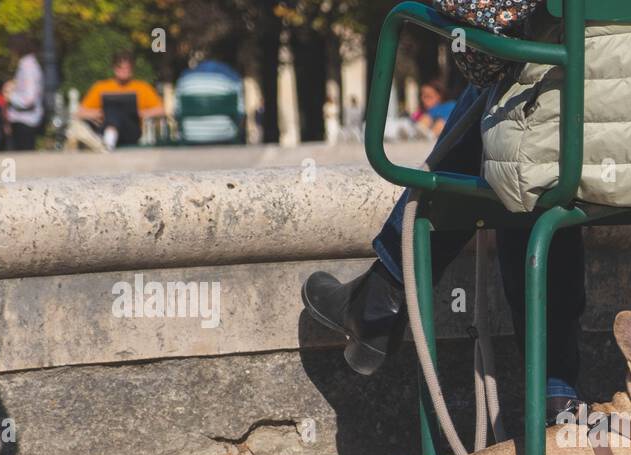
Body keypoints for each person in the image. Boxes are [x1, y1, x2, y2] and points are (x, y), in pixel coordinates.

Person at [302, 82, 585, 421]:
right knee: (539, 142)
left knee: (505, 89)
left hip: (557, 140)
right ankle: (556, 390)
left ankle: (385, 291)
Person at [66, 51, 165, 151]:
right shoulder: (101, 87)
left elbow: (161, 110)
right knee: (112, 112)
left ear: (132, 69)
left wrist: (140, 113)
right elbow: (80, 113)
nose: (124, 71)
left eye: (127, 68)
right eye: (120, 67)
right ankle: (107, 141)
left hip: (131, 130)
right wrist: (100, 113)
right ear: (114, 68)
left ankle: (106, 143)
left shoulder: (142, 87)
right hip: (106, 125)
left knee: (116, 112)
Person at [175, 58, 244, 145]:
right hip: (224, 134)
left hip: (190, 134)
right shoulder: (231, 79)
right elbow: (240, 112)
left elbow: (177, 112)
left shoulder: (184, 81)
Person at [3, 34, 43, 151]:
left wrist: (10, 96)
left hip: (25, 120)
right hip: (22, 119)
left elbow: (29, 98)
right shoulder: (26, 66)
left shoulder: (28, 67)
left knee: (23, 157)